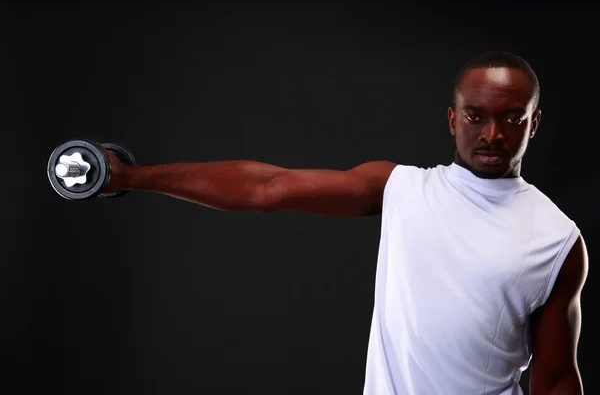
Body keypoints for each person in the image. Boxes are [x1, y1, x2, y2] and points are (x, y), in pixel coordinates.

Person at [102, 51, 588, 394]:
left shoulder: (557, 238)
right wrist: (130, 176)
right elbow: (266, 186)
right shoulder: (402, 189)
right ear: (452, 119)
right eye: (476, 116)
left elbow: (556, 379)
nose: (493, 134)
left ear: (534, 122)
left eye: (512, 119)